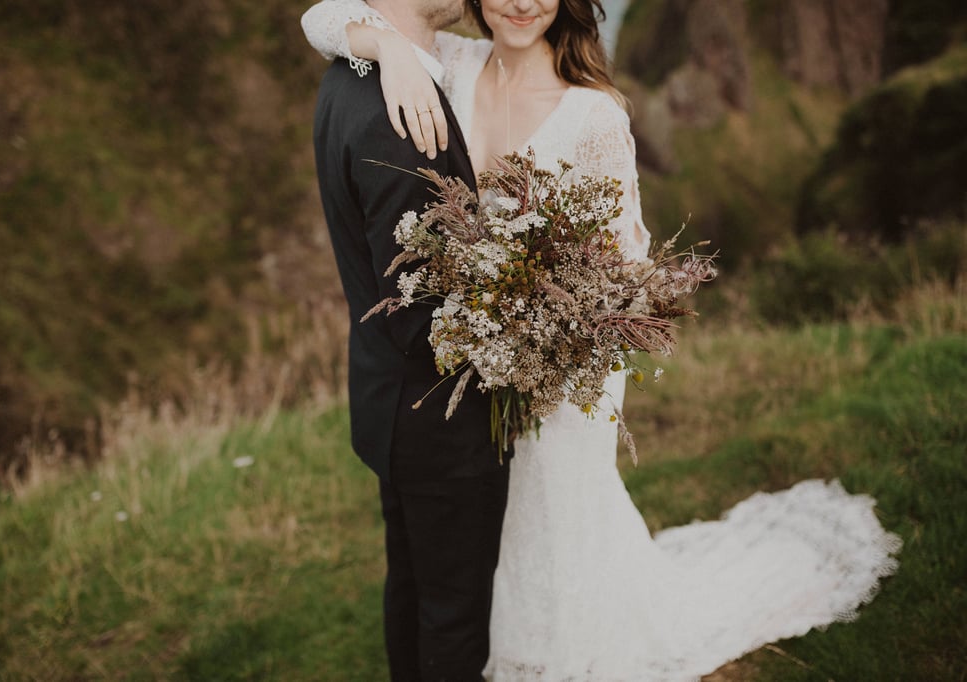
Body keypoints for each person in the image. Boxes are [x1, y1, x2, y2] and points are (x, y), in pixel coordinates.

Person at [302, 1, 903, 679]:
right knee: (467, 551)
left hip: (554, 383)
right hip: (467, 381)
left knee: (546, 539)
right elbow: (322, 17)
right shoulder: (453, 66)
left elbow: (623, 275)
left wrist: (541, 339)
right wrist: (391, 54)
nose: (523, 2)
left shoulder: (593, 116)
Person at [309, 0, 512, 679]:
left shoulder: (351, 73)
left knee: (415, 589)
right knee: (453, 619)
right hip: (439, 422)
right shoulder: (403, 120)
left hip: (389, 403)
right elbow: (424, 316)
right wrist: (527, 327)